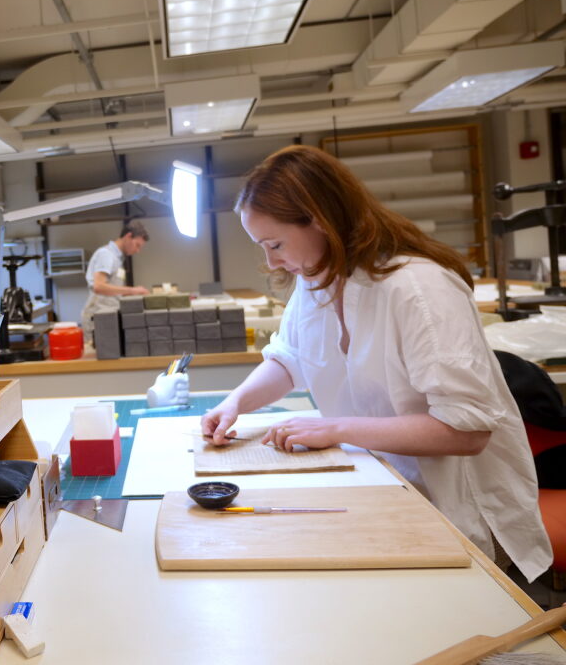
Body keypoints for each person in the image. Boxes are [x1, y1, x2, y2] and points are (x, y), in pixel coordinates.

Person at [200, 145, 551, 583]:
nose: (271, 261)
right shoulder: (318, 281)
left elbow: (467, 429)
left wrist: (336, 428)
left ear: (321, 220)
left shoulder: (418, 289)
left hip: (460, 513)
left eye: (275, 244)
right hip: (388, 487)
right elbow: (290, 359)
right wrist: (235, 403)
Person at [80, 220, 150, 340]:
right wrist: (132, 290)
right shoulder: (106, 254)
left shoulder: (117, 259)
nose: (137, 251)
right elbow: (99, 286)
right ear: (128, 236)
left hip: (108, 316)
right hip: (98, 318)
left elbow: (113, 290)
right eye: (137, 245)